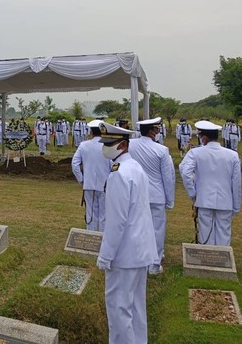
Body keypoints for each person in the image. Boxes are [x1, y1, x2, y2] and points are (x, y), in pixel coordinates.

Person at [96, 121, 158, 344]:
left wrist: (105, 255)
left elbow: (116, 221)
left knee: (119, 309)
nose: (105, 147)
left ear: (122, 145)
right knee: (136, 307)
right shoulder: (135, 168)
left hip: (123, 254)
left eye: (109, 143)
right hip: (140, 250)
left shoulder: (119, 173)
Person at [179, 120, 241, 246]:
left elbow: (185, 172)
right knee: (224, 234)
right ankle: (222, 263)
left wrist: (193, 194)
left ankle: (207, 263)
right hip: (225, 200)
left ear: (204, 138)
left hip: (203, 199)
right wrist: (236, 204)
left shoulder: (195, 152)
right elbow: (236, 183)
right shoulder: (232, 155)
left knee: (205, 234)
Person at [128, 117, 175, 274]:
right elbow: (168, 177)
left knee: (136, 226)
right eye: (156, 130)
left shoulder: (130, 145)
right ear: (151, 131)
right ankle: (154, 263)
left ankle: (136, 257)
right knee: (157, 229)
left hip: (135, 193)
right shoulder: (161, 150)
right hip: (156, 195)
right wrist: (169, 200)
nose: (157, 132)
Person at [72, 119, 111, 231]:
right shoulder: (107, 145)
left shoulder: (84, 145)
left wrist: (81, 179)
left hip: (88, 184)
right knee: (104, 215)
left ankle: (91, 236)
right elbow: (113, 165)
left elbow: (75, 164)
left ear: (91, 131)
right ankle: (102, 239)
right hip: (105, 184)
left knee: (91, 214)